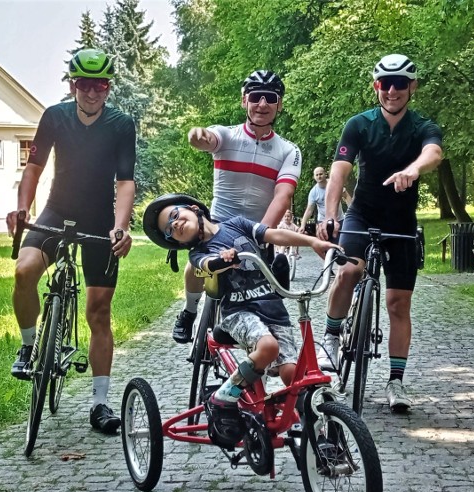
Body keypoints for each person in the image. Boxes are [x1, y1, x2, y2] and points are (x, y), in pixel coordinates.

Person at [5, 48, 135, 434]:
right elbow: (34, 168)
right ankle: (29, 346)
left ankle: (99, 404)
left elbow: (125, 181)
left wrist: (120, 226)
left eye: (100, 85)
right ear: (72, 84)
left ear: (108, 87)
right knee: (24, 272)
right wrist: (22, 208)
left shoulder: (121, 124)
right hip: (56, 211)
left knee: (98, 311)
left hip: (99, 218)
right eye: (84, 84)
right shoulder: (55, 117)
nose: (92, 92)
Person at [142, 193, 339, 447]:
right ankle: (224, 396)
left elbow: (272, 235)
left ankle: (317, 436)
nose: (175, 225)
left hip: (273, 309)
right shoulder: (198, 253)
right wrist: (221, 260)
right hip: (238, 312)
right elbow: (207, 265)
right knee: (268, 347)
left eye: (174, 216)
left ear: (192, 209)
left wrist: (313, 242)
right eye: (169, 231)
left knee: (293, 375)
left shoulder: (236, 224)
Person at [317, 54, 443, 412]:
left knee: (398, 303)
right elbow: (339, 171)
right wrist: (330, 215)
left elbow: (433, 152)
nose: (391, 91)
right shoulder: (359, 124)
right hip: (363, 214)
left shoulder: (422, 126)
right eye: (385, 84)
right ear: (376, 86)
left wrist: (413, 170)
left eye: (400, 83)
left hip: (401, 221)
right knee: (349, 271)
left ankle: (396, 382)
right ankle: (331, 336)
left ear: (412, 87)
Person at [173, 70, 302, 344]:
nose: (263, 104)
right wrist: (197, 136)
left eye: (271, 98)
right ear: (245, 101)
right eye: (256, 97)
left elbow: (283, 194)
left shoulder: (288, 150)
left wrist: (260, 235)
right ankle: (189, 311)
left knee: (258, 300)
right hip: (218, 223)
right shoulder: (227, 135)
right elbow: (208, 138)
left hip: (254, 229)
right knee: (196, 265)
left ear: (280, 104)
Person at [299, 166, 351, 242]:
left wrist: (352, 213)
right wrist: (302, 226)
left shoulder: (334, 184)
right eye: (316, 175)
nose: (319, 176)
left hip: (339, 219)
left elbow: (346, 197)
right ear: (314, 177)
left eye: (320, 174)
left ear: (325, 174)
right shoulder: (313, 192)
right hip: (323, 221)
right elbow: (309, 210)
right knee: (325, 244)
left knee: (341, 242)